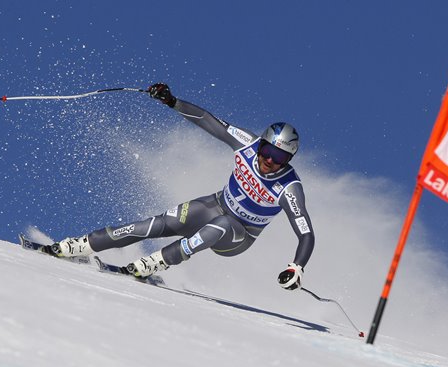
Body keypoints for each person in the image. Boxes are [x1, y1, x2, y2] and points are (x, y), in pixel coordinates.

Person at [49, 83, 315, 290]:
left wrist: (297, 267)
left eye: (279, 157)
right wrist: (171, 101)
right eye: (267, 151)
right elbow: (208, 121)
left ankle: (160, 261)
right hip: (214, 206)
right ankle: (81, 245)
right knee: (152, 226)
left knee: (221, 226)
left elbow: (305, 233)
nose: (270, 160)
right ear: (261, 144)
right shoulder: (247, 142)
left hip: (238, 236)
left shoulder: (289, 187)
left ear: (288, 159)